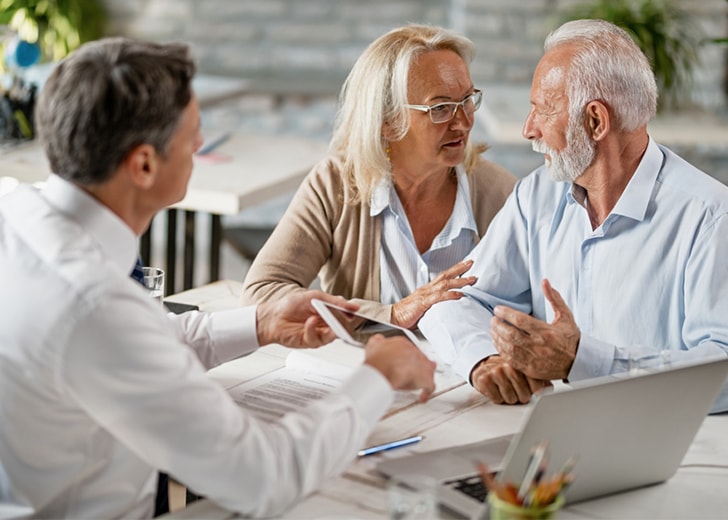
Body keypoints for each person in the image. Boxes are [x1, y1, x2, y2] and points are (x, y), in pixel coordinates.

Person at [0, 37, 436, 518]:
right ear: (144, 164)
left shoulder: (17, 213)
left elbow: (137, 341)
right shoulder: (93, 302)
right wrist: (378, 377)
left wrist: (260, 323)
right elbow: (264, 478)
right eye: (193, 134)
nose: (200, 145)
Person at [419, 19, 728, 413]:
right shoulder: (536, 196)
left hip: (668, 451)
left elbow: (722, 370)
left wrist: (582, 361)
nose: (529, 130)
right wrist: (483, 359)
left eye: (542, 111)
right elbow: (450, 299)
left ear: (596, 121)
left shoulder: (711, 217)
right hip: (545, 435)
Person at [241, 24, 517, 328]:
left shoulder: (501, 193)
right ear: (387, 120)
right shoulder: (336, 184)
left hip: (467, 372)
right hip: (365, 369)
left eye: (467, 99)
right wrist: (392, 314)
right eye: (440, 108)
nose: (463, 121)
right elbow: (262, 292)